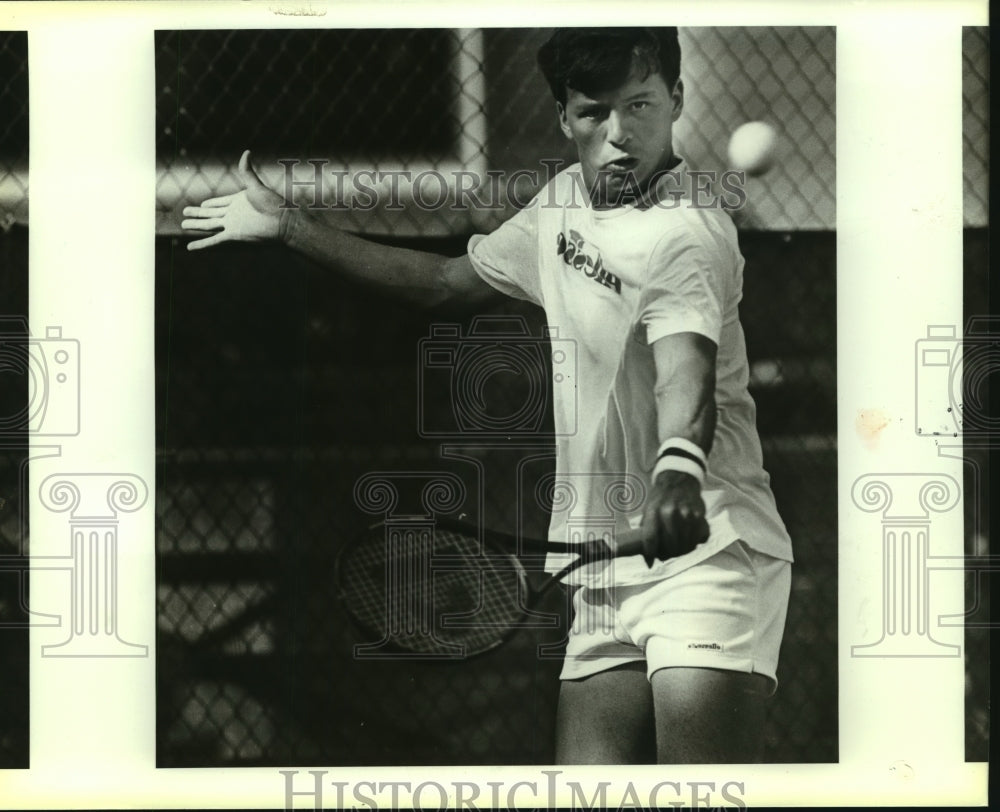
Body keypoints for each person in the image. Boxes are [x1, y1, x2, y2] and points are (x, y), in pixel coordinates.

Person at [181, 27, 793, 764]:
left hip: (705, 553)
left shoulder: (686, 232)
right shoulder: (562, 201)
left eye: (642, 105)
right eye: (596, 111)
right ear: (565, 117)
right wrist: (291, 227)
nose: (622, 133)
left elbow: (685, 370)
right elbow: (445, 285)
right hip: (603, 572)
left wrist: (678, 471)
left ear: (678, 101)